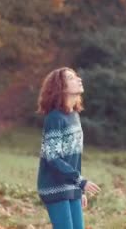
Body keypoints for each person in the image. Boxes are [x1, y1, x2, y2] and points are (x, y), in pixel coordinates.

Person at [36, 67, 101, 229]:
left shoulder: (74, 116)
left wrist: (79, 190)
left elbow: (74, 159)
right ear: (61, 87)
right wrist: (80, 181)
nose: (78, 79)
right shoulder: (54, 118)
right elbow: (53, 157)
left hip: (70, 184)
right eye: (71, 78)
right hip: (53, 186)